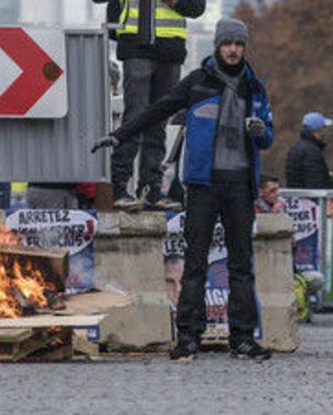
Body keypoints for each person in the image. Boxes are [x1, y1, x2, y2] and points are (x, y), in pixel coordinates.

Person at [93, 18, 274, 360]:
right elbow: (157, 111)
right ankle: (189, 337)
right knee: (194, 263)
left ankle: (243, 338)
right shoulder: (197, 83)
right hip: (202, 185)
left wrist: (260, 131)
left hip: (239, 185)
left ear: (244, 48)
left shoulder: (255, 88)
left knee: (241, 265)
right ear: (218, 46)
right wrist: (120, 135)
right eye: (227, 44)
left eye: (239, 44)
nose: (233, 50)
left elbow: (268, 137)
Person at [88, 0, 206, 212]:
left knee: (158, 121)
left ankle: (152, 189)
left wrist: (179, 0)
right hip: (137, 46)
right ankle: (120, 187)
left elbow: (198, 5)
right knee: (136, 116)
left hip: (170, 50)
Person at [285, 113, 333, 189]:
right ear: (317, 130)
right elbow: (315, 184)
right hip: (309, 199)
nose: (326, 132)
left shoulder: (297, 146)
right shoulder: (311, 152)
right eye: (324, 128)